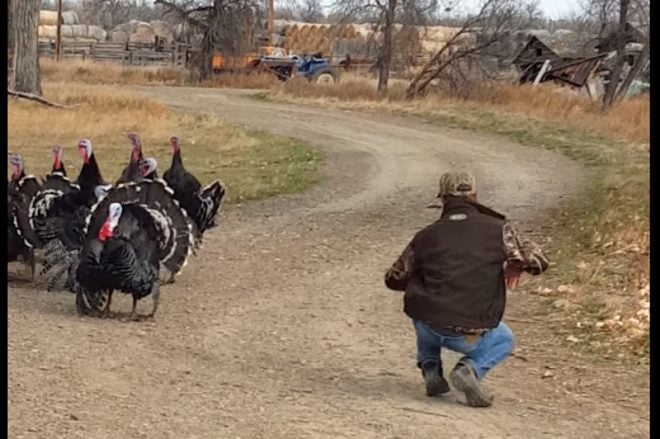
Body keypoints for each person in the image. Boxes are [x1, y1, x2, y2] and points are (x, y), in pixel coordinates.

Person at [384, 171, 549, 408]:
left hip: (429, 327)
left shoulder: (426, 236)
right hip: (470, 333)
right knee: (504, 339)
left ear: (442, 199)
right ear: (475, 195)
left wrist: (427, 273)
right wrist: (515, 263)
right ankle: (469, 368)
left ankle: (430, 366)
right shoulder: (500, 230)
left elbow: (393, 279)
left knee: (425, 304)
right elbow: (539, 262)